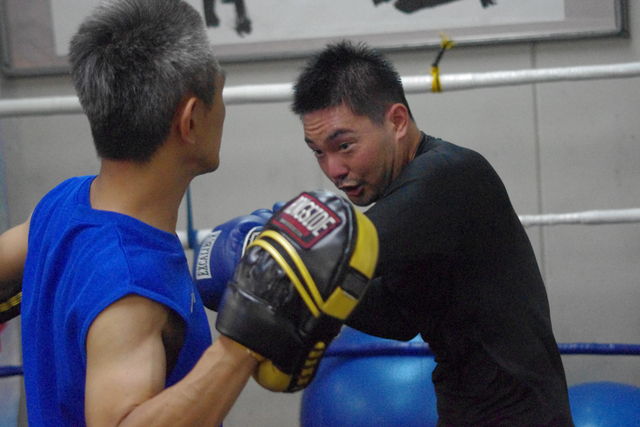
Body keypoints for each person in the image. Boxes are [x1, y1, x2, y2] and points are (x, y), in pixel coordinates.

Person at [0, 1, 258, 425]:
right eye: (219, 93)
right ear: (191, 120)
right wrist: (243, 343)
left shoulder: (63, 203)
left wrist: (59, 293)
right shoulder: (134, 288)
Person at [291, 40, 573, 425]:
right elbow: (397, 318)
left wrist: (265, 253)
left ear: (397, 121)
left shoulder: (446, 176)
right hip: (468, 408)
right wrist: (318, 294)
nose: (334, 169)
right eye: (318, 152)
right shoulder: (408, 201)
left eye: (344, 145)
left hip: (518, 415)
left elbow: (336, 254)